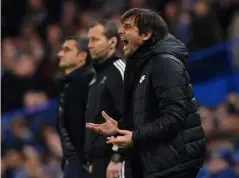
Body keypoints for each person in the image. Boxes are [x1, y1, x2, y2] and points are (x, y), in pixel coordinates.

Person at [86, 8, 206, 178]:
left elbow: (174, 117)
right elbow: (147, 114)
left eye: (127, 27)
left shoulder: (164, 63)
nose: (120, 31)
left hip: (174, 164)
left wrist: (134, 137)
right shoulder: (141, 66)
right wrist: (119, 127)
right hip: (156, 163)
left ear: (146, 34)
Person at [85, 20, 127, 178]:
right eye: (89, 40)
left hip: (113, 162)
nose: (90, 45)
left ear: (112, 42)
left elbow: (129, 116)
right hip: (98, 163)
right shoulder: (97, 77)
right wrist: (91, 161)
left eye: (95, 39)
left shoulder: (119, 71)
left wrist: (118, 157)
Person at [57, 36, 95, 178]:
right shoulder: (66, 84)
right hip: (72, 161)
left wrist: (88, 159)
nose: (60, 54)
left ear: (81, 56)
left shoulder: (89, 82)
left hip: (85, 163)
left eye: (67, 50)